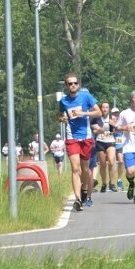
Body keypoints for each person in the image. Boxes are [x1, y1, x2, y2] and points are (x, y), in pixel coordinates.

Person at [57, 73, 101, 211]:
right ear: (66, 86)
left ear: (78, 84)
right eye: (70, 83)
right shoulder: (63, 101)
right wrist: (61, 119)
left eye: (75, 83)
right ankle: (77, 199)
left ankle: (86, 192)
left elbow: (98, 112)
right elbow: (58, 114)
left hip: (86, 137)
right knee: (76, 169)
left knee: (85, 170)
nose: (73, 85)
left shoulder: (86, 97)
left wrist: (84, 113)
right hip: (72, 138)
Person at [92, 102, 118, 192]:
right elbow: (93, 130)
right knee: (103, 165)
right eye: (103, 107)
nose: (105, 109)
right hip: (100, 142)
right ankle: (104, 184)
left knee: (111, 162)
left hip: (110, 141)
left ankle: (112, 183)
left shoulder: (112, 118)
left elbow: (117, 130)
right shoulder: (97, 118)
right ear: (101, 108)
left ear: (109, 109)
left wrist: (114, 125)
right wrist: (99, 130)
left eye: (107, 107)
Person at [110, 107, 125, 190]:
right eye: (114, 113)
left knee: (121, 161)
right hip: (110, 143)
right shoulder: (109, 121)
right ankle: (111, 181)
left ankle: (119, 179)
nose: (116, 115)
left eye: (117, 113)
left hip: (119, 143)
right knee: (111, 163)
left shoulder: (121, 122)